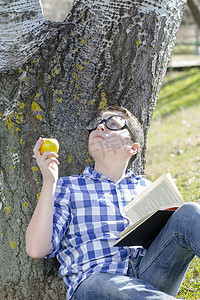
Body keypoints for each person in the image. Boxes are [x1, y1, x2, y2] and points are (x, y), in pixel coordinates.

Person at [26, 106, 200, 300]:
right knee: (115, 288)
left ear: (133, 148)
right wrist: (49, 181)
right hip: (94, 282)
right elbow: (36, 249)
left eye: (112, 124)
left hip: (148, 276)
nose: (100, 127)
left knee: (189, 212)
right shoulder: (68, 187)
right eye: (98, 124)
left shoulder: (148, 189)